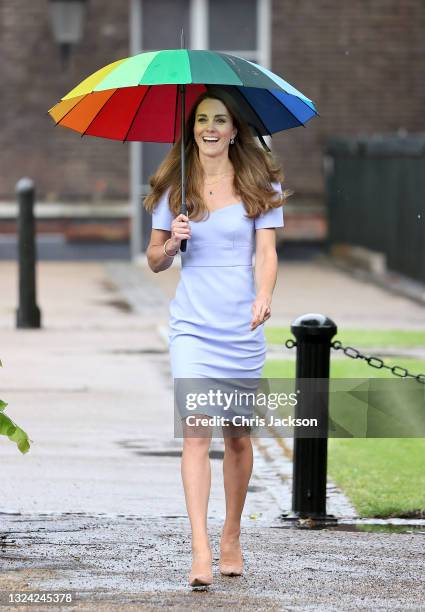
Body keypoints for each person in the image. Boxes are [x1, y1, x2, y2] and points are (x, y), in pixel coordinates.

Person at [144, 89, 290, 588]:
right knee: (195, 432)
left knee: (238, 436)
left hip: (240, 326)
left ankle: (231, 533)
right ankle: (200, 549)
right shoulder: (175, 188)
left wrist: (263, 295)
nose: (210, 127)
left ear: (234, 130)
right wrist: (173, 242)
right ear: (193, 129)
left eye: (220, 120)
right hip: (192, 326)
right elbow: (155, 260)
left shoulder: (259, 183)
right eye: (201, 119)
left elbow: (266, 254)